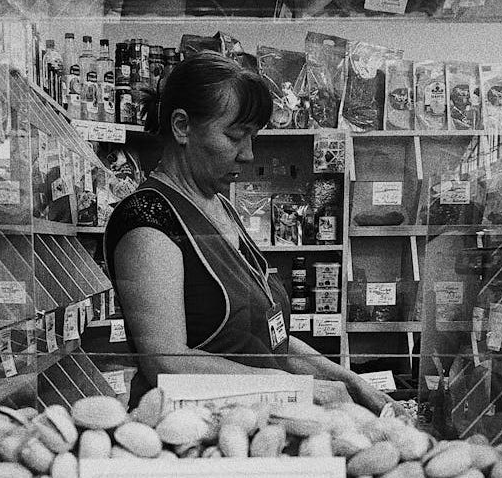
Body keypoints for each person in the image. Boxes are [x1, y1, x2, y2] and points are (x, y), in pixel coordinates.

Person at [104, 51, 396, 413]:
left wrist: (348, 380)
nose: (248, 154)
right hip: (189, 436)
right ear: (182, 126)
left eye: (253, 137)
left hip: (252, 422)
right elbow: (168, 363)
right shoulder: (148, 220)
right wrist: (294, 390)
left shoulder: (220, 206)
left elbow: (270, 341)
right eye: (236, 136)